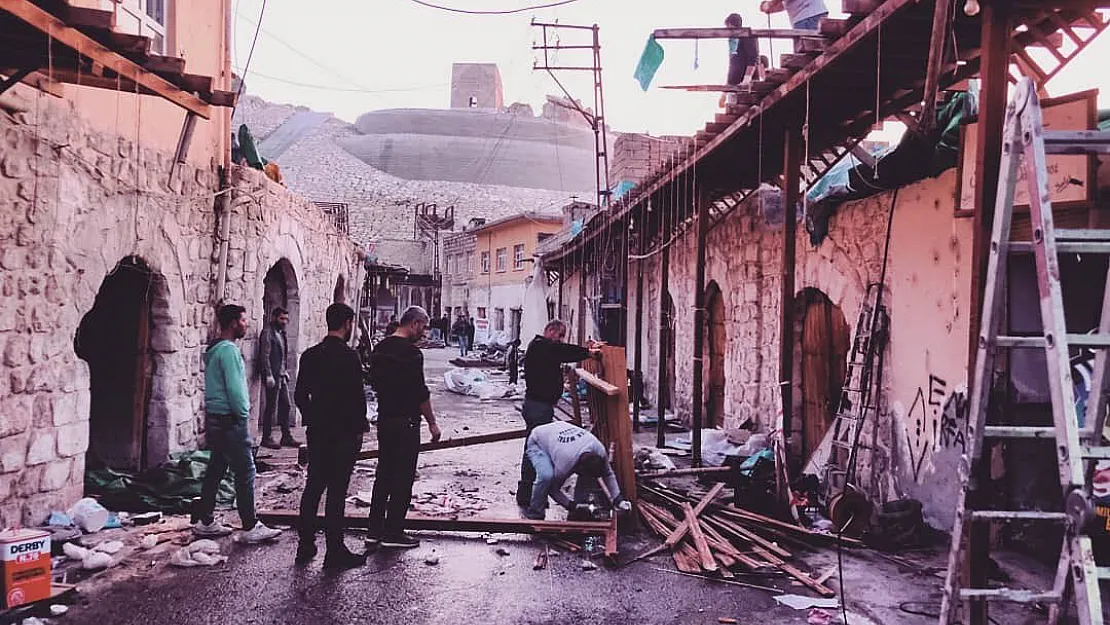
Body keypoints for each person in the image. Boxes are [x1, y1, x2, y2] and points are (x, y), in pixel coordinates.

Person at [194, 304, 282, 543]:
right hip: (230, 420)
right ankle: (250, 526)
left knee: (216, 469)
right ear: (233, 323)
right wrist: (244, 414)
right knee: (245, 471)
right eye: (243, 320)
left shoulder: (214, 350)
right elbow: (235, 390)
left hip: (215, 418)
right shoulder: (229, 351)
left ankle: (205, 520)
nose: (246, 324)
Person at [294, 303, 370, 569]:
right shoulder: (349, 357)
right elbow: (358, 399)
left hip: (319, 432)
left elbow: (300, 396)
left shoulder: (310, 355)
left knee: (313, 487)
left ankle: (305, 545)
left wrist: (313, 418)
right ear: (348, 323)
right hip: (344, 434)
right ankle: (334, 551)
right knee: (336, 493)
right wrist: (360, 427)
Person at [367, 306, 442, 548]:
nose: (424, 333)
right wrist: (432, 424)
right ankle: (393, 532)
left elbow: (373, 382)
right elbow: (420, 392)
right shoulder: (412, 354)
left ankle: (373, 530)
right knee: (403, 476)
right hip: (407, 421)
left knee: (384, 474)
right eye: (424, 327)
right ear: (415, 323)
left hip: (386, 419)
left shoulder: (380, 348)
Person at [516, 320, 600, 508]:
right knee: (534, 450)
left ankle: (530, 492)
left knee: (534, 448)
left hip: (538, 406)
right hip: (538, 407)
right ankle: (530, 494)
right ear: (550, 331)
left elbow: (560, 352)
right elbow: (562, 351)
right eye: (560, 335)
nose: (561, 340)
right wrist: (587, 353)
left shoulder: (545, 348)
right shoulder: (540, 346)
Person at [521, 421, 632, 521]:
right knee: (546, 476)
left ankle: (581, 511)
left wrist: (619, 500)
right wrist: (570, 505)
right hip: (537, 440)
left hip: (556, 433)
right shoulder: (565, 463)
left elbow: (608, 473)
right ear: (577, 468)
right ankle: (535, 513)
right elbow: (552, 489)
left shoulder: (599, 450)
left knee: (587, 478)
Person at [259, 307, 298, 449]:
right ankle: (267, 437)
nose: (284, 322)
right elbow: (265, 355)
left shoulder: (282, 334)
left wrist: (285, 370)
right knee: (271, 406)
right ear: (274, 318)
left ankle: (286, 436)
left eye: (286, 319)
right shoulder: (268, 333)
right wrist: (268, 374)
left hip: (281, 375)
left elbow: (282, 356)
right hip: (273, 376)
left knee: (286, 405)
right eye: (282, 318)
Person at [723, 13, 760, 108]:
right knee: (732, 111)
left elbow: (753, 58)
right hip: (733, 85)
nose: (728, 30)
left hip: (746, 85)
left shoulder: (747, 36)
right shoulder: (732, 42)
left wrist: (747, 79)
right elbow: (732, 67)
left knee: (747, 111)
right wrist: (724, 93)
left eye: (729, 27)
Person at [760, 0, 828, 30]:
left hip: (808, 16)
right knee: (805, 52)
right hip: (807, 16)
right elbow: (785, 4)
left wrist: (770, 4)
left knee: (807, 52)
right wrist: (771, 8)